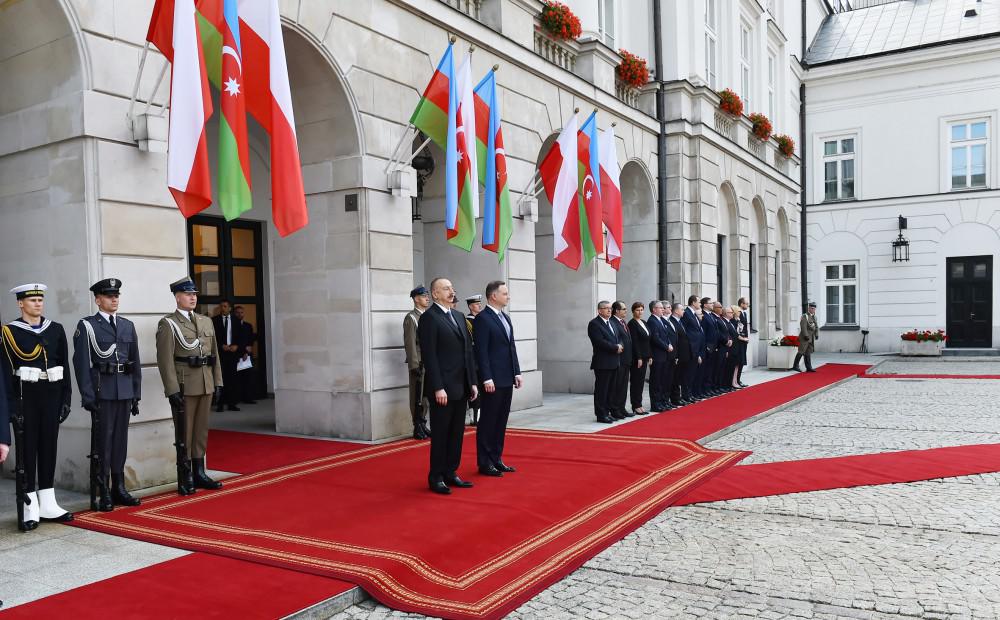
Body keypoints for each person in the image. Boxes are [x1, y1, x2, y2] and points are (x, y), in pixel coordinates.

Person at [0, 284, 74, 530]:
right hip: (25, 397)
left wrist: (66, 399)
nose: (38, 303)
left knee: (49, 447)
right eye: (32, 300)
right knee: (27, 450)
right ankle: (29, 504)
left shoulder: (55, 329)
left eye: (40, 299)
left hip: (51, 394)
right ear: (21, 303)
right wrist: (12, 407)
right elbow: (5, 373)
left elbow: (64, 365)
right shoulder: (9, 332)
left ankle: (48, 501)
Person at [72, 278, 142, 512]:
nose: (114, 299)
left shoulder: (126, 325)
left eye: (117, 296)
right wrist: (88, 396)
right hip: (103, 391)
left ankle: (119, 487)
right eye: (109, 296)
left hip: (124, 390)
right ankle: (103, 488)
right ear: (98, 300)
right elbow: (81, 363)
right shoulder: (87, 326)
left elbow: (135, 362)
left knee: (120, 441)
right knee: (103, 443)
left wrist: (136, 393)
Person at [155, 277, 224, 496]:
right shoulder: (168, 324)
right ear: (177, 297)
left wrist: (218, 381)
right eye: (187, 294)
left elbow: (215, 355)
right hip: (185, 385)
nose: (193, 297)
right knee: (184, 433)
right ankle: (184, 476)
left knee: (201, 431)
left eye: (194, 293)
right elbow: (165, 360)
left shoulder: (206, 321)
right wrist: (172, 389)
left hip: (205, 383)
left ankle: (199, 472)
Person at [418, 278, 478, 495]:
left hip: (461, 386)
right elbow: (430, 356)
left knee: (456, 433)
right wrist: (437, 387)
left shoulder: (459, 316)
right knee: (442, 433)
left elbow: (467, 353)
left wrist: (472, 381)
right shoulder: (429, 319)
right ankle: (436, 476)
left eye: (452, 288)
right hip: (443, 389)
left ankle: (451, 472)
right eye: (446, 289)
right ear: (435, 294)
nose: (452, 291)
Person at [473, 281, 522, 477]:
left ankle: (496, 458)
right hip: (492, 380)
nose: (508, 296)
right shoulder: (483, 319)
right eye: (505, 293)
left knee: (501, 421)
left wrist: (516, 372)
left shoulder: (506, 318)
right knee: (488, 421)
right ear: (493, 296)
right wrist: (486, 378)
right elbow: (481, 352)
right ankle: (485, 462)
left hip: (506, 378)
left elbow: (511, 347)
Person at [404, 286, 432, 440]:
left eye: (427, 295)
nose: (427, 298)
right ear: (416, 299)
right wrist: (414, 365)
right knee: (417, 396)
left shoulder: (427, 317)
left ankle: (423, 423)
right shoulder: (411, 318)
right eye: (423, 296)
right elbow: (410, 343)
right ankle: (417, 425)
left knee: (426, 397)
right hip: (419, 363)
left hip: (429, 362)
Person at [588, 301, 622, 424]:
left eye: (610, 308)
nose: (609, 310)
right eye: (606, 308)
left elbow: (619, 338)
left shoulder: (612, 322)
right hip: (602, 362)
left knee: (611, 389)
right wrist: (615, 347)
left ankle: (607, 412)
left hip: (614, 361)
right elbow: (599, 342)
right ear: (599, 310)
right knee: (602, 389)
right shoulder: (594, 324)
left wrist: (620, 345)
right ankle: (601, 414)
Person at [212, 300, 243, 412]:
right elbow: (212, 337)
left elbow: (241, 336)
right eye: (221, 306)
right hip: (221, 354)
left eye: (225, 306)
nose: (222, 308)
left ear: (230, 308)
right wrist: (221, 346)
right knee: (221, 380)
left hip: (233, 354)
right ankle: (220, 404)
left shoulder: (236, 320)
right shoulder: (214, 320)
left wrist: (237, 346)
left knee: (232, 380)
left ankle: (232, 404)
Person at [646, 300, 672, 412]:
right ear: (653, 309)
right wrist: (667, 346)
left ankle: (661, 402)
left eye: (663, 307)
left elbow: (666, 335)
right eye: (660, 308)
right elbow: (655, 338)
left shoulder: (660, 320)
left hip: (664, 355)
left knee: (662, 380)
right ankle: (655, 404)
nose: (663, 309)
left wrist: (669, 343)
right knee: (656, 381)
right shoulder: (652, 321)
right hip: (657, 355)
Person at [627, 302, 652, 415]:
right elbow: (635, 342)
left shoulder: (644, 322)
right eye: (637, 310)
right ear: (633, 311)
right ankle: (635, 405)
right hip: (638, 358)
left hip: (646, 356)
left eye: (642, 309)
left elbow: (648, 341)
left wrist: (650, 355)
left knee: (641, 382)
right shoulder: (632, 324)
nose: (640, 312)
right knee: (636, 382)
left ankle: (639, 404)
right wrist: (639, 357)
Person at [609, 302, 633, 419]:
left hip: (626, 359)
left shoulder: (623, 322)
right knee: (617, 386)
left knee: (623, 386)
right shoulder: (613, 322)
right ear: (617, 311)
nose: (625, 311)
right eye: (623, 309)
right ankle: (615, 409)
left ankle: (621, 408)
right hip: (619, 359)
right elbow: (617, 339)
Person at [681, 296, 705, 401]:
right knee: (688, 374)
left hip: (696, 349)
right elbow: (684, 331)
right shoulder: (686, 313)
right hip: (690, 349)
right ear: (693, 302)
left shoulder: (694, 314)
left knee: (692, 374)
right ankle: (686, 395)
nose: (700, 304)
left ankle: (690, 394)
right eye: (699, 302)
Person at [669, 303, 693, 405]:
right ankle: (675, 398)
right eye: (682, 309)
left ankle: (682, 396)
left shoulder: (680, 321)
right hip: (678, 355)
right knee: (676, 378)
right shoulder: (672, 321)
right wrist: (677, 355)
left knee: (682, 377)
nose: (684, 311)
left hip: (685, 354)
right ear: (676, 311)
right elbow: (675, 341)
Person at [233, 305, 257, 404]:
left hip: (247, 355)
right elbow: (234, 341)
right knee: (236, 379)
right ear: (234, 313)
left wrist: (247, 352)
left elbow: (250, 340)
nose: (240, 314)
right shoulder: (232, 326)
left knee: (248, 377)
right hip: (236, 355)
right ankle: (236, 398)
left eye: (241, 312)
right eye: (237, 312)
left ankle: (248, 397)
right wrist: (242, 351)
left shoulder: (248, 325)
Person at [465, 294, 483, 425]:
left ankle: (479, 414)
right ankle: (474, 416)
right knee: (474, 387)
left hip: (481, 360)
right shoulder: (468, 321)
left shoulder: (480, 320)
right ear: (471, 306)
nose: (479, 306)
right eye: (477, 304)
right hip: (473, 360)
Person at [794, 302, 819, 372]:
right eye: (811, 308)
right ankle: (795, 365)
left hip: (811, 338)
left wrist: (816, 334)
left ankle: (808, 367)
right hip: (804, 338)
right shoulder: (805, 316)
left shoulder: (814, 317)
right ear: (809, 308)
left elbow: (816, 327)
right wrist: (806, 335)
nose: (813, 310)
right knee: (801, 351)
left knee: (808, 352)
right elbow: (803, 326)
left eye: (814, 309)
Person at [736, 298, 750, 387]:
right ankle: (736, 380)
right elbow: (739, 328)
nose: (748, 305)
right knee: (739, 361)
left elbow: (745, 327)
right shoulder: (739, 313)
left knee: (742, 361)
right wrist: (743, 338)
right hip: (740, 341)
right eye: (746, 303)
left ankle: (738, 379)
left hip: (744, 340)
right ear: (741, 304)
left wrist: (747, 338)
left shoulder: (744, 313)